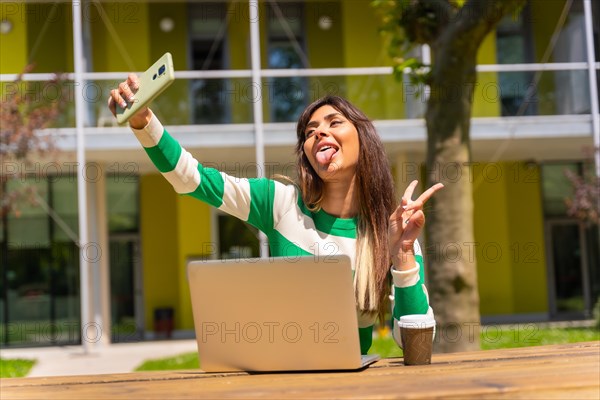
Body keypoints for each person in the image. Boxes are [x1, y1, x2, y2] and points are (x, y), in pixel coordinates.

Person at [108, 74, 443, 354]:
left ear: (363, 138)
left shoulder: (394, 231)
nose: (318, 134)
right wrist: (144, 122)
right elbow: (192, 179)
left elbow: (416, 349)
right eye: (310, 132)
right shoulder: (280, 202)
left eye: (333, 123)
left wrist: (401, 255)